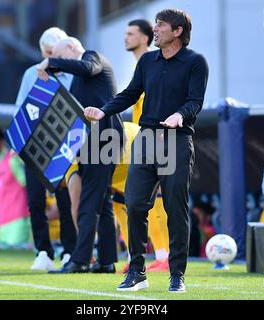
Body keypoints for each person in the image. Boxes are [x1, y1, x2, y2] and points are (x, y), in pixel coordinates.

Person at [84, 9, 209, 292]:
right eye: (155, 24)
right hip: (146, 139)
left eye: (161, 25)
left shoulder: (196, 62)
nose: (155, 29)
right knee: (136, 203)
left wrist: (180, 115)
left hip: (176, 140)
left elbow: (195, 101)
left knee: (175, 208)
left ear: (177, 31)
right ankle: (137, 272)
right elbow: (130, 94)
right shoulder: (148, 61)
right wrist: (104, 112)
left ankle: (177, 274)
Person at [37, 37, 124, 274]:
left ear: (72, 48)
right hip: (94, 138)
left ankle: (80, 260)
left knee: (88, 199)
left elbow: (87, 67)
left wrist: (51, 62)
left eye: (60, 55)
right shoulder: (79, 76)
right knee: (102, 201)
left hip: (103, 136)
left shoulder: (92, 56)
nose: (59, 61)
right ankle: (106, 261)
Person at [15, 27, 76, 271]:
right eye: (48, 53)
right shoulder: (31, 73)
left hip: (65, 147)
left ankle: (70, 251)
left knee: (65, 200)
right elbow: (20, 107)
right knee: (35, 201)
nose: (52, 58)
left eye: (55, 53)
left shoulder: (74, 74)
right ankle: (43, 251)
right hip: (36, 145)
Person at [120, 18, 170, 273]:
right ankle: (137, 256)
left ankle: (165, 256)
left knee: (157, 199)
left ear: (145, 37)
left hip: (156, 136)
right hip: (137, 138)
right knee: (128, 198)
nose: (125, 37)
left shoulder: (153, 63)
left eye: (131, 33)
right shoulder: (139, 65)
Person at [0, 128, 30, 247]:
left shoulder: (12, 160)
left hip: (19, 222)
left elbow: (27, 184)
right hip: (1, 224)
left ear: (1, 141)